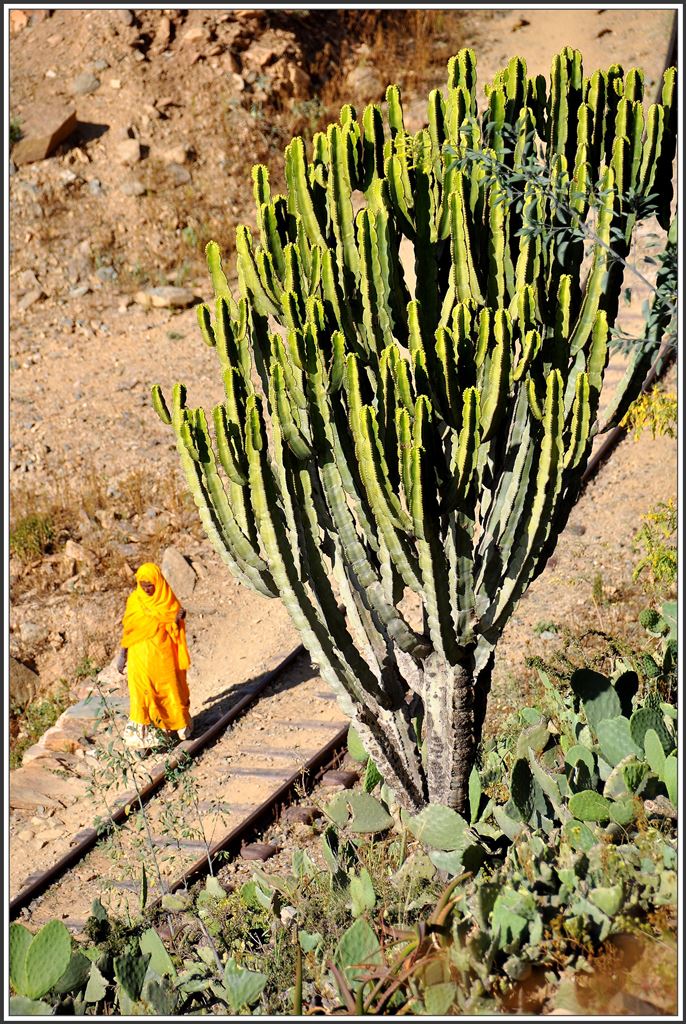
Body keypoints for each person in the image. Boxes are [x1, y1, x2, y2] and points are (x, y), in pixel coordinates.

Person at [117, 563, 193, 751]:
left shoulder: (168, 601)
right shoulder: (134, 601)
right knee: (143, 694)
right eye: (143, 584)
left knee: (167, 691)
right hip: (138, 659)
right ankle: (143, 740)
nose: (147, 588)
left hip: (162, 659)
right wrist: (122, 655)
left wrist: (177, 620)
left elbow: (174, 629)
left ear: (158, 582)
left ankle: (172, 729)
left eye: (150, 584)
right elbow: (129, 630)